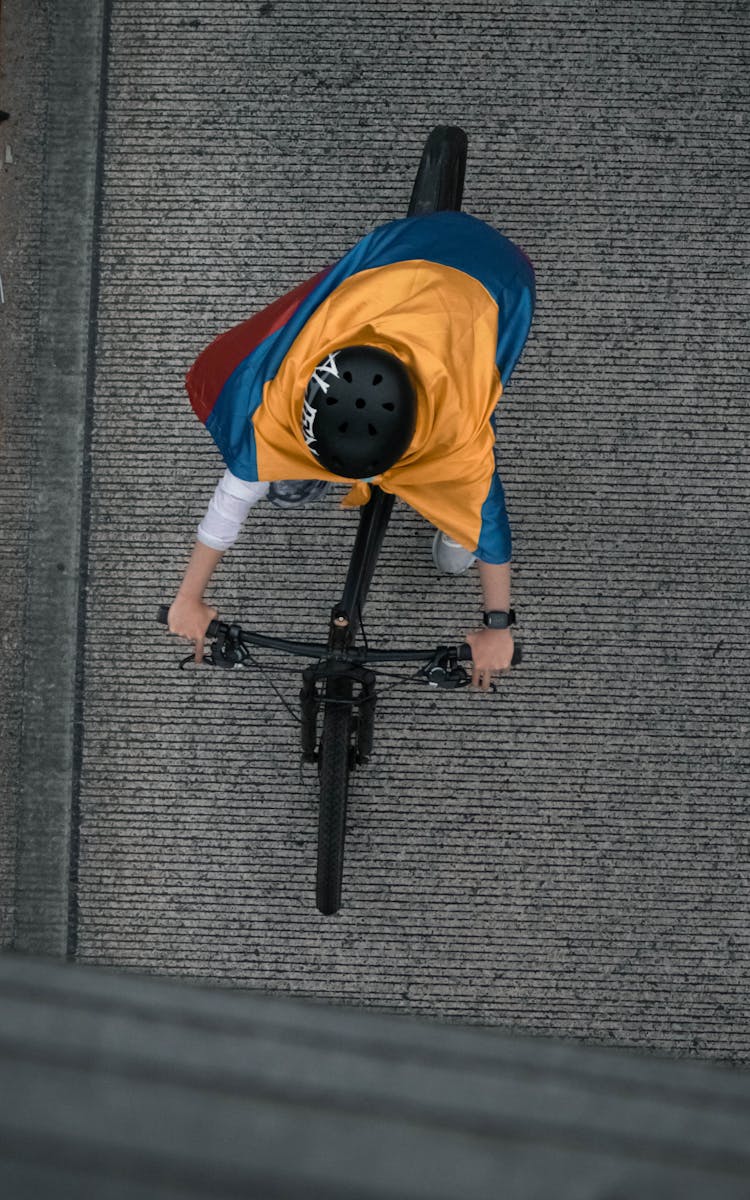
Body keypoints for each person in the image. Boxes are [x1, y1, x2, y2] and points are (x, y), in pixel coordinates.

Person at [168, 210, 535, 691]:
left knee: (469, 497)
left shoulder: (456, 435)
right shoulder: (280, 395)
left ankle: (451, 533)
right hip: (399, 257)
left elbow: (492, 531)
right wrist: (186, 595)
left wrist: (499, 622)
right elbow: (231, 499)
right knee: (460, 509)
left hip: (496, 277)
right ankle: (444, 526)